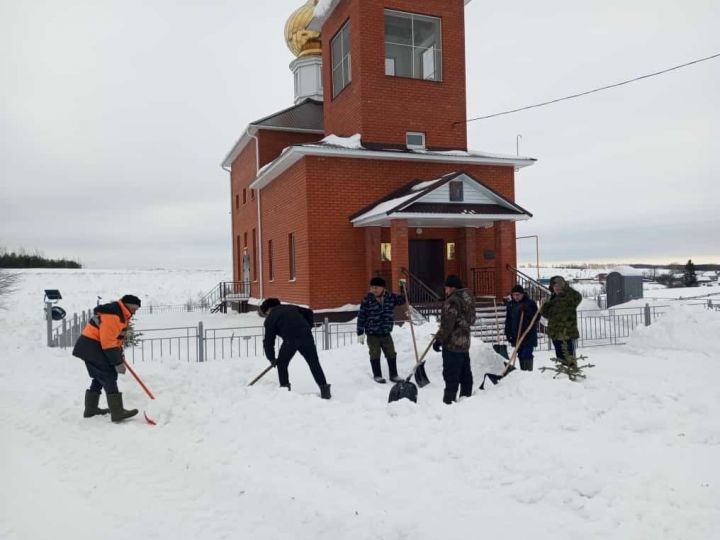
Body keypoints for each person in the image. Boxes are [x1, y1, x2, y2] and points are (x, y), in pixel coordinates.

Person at [72, 294, 141, 422]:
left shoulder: (120, 314)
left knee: (100, 376)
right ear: (128, 306)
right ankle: (117, 411)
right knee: (108, 375)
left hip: (94, 347)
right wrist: (117, 362)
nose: (135, 312)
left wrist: (119, 353)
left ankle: (91, 409)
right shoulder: (113, 315)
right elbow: (108, 342)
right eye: (135, 309)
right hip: (92, 347)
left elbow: (115, 339)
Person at [259, 298, 331, 399]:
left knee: (282, 364)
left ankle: (285, 391)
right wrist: (307, 326)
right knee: (314, 362)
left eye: (266, 313)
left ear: (268, 309)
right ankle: (325, 390)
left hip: (290, 341)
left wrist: (271, 358)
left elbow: (268, 341)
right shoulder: (291, 307)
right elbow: (309, 312)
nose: (267, 315)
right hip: (306, 336)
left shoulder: (270, 318)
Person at [433, 275, 476, 404]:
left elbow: (447, 324)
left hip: (452, 345)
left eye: (446, 288)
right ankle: (466, 401)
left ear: (452, 288)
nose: (445, 291)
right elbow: (472, 320)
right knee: (465, 376)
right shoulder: (468, 299)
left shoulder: (452, 301)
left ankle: (448, 404)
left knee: (451, 377)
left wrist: (439, 339)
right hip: (464, 344)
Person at [356, 276, 407, 383]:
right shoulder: (367, 300)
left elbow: (402, 300)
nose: (374, 290)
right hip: (372, 333)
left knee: (391, 353)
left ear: (383, 288)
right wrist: (360, 332)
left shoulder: (390, 297)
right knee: (374, 353)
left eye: (376, 287)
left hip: (386, 332)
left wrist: (403, 288)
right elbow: (361, 316)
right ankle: (377, 375)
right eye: (372, 287)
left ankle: (394, 375)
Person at [540, 276, 582, 364]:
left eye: (560, 286)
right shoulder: (552, 299)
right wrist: (544, 305)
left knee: (569, 358)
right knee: (560, 357)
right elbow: (546, 315)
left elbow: (578, 297)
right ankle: (563, 375)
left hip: (567, 333)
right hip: (555, 333)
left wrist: (566, 287)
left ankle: (572, 374)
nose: (557, 289)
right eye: (555, 287)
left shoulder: (570, 297)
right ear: (552, 288)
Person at [504, 284, 539, 371]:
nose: (516, 297)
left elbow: (536, 317)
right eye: (514, 295)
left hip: (528, 335)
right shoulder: (511, 305)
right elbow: (508, 320)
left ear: (522, 294)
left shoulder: (530, 303)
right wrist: (508, 334)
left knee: (526, 354)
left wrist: (527, 311)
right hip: (516, 335)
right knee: (520, 355)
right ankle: (523, 375)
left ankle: (528, 374)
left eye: (518, 295)